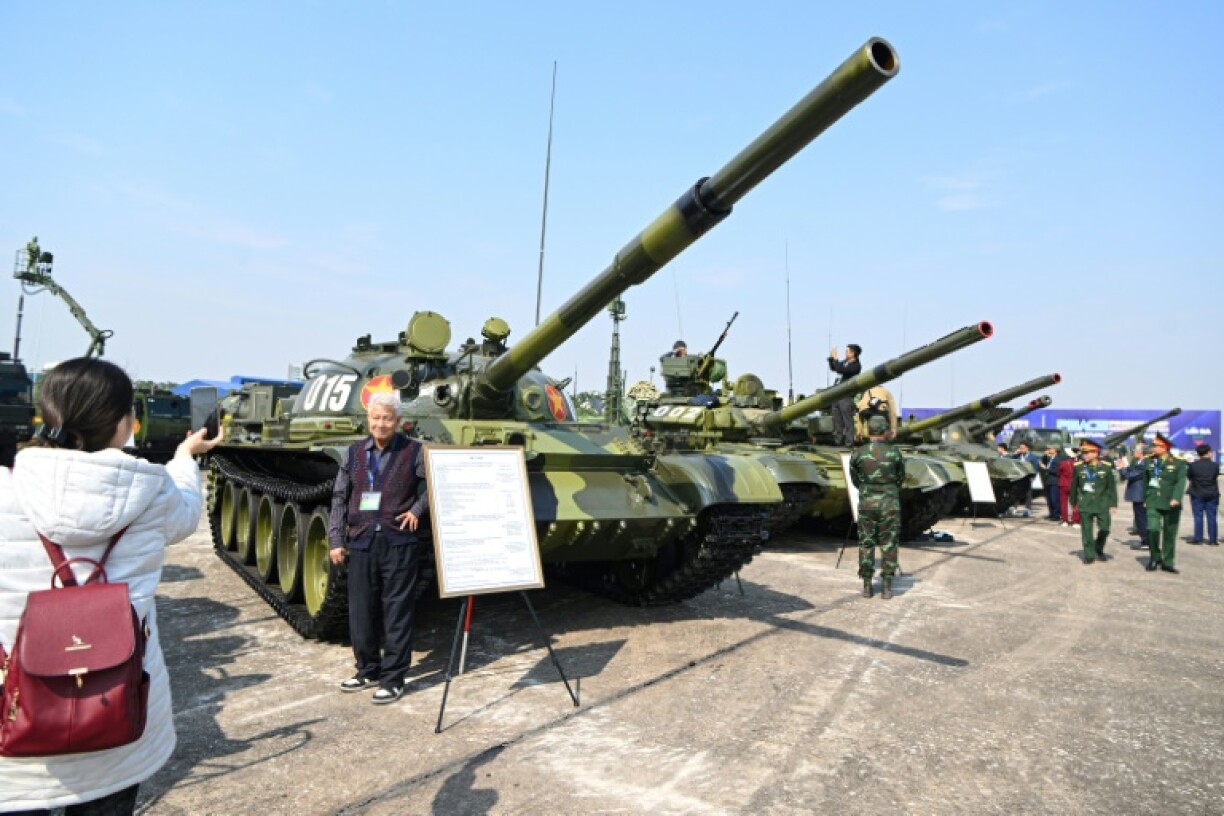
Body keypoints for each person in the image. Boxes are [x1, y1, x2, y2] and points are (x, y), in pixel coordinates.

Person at [0, 357, 223, 814]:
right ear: (124, 423)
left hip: (17, 720)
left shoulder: (7, 491)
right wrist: (185, 457)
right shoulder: (152, 491)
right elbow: (184, 516)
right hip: (115, 718)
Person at [328, 392, 429, 704]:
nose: (381, 424)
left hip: (399, 541)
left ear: (398, 422)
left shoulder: (414, 451)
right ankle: (367, 668)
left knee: (396, 610)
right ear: (367, 420)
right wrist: (336, 539)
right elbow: (339, 497)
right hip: (362, 539)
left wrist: (416, 511)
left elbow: (432, 486)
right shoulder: (354, 452)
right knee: (361, 610)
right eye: (376, 418)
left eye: (387, 418)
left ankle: (394, 677)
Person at [850, 415, 905, 599]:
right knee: (889, 543)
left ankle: (867, 585)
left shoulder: (859, 453)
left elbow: (855, 478)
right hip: (890, 503)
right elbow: (900, 478)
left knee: (866, 543)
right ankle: (887, 586)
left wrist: (867, 489)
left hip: (867, 503)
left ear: (869, 431)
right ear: (885, 430)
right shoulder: (894, 452)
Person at [1143, 433, 1188, 573]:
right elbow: (1145, 481)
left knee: (1170, 533)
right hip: (1153, 501)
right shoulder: (1148, 461)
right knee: (1152, 529)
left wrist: (1176, 498)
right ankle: (1154, 557)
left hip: (1171, 502)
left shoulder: (1179, 462)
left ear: (1165, 448)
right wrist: (1145, 498)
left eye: (1156, 446)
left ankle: (1167, 562)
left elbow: (1181, 482)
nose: (1153, 448)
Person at [1068, 438, 1117, 563]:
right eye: (1083, 452)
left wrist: (1113, 504)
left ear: (1096, 453)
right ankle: (1089, 554)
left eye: (1087, 452)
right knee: (1086, 530)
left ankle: (1098, 547)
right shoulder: (1079, 467)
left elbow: (1111, 487)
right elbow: (1074, 486)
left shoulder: (1106, 468)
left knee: (1105, 529)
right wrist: (1073, 502)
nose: (1083, 455)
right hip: (1086, 503)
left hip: (1102, 504)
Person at [827, 343, 861, 446]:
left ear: (853, 353)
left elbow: (842, 370)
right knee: (837, 420)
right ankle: (838, 440)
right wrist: (832, 359)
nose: (845, 353)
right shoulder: (845, 362)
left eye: (847, 351)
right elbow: (835, 368)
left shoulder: (856, 366)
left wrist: (836, 360)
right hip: (837, 394)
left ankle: (849, 442)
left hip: (846, 395)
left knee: (847, 420)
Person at [1117, 443, 1149, 549]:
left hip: (1140, 495)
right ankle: (1144, 539)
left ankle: (1146, 541)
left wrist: (1122, 468)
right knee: (1139, 518)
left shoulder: (1143, 464)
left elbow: (1128, 475)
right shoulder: (1139, 462)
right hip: (1137, 495)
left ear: (1141, 452)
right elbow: (1130, 471)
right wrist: (1124, 465)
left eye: (1135, 450)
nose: (1133, 452)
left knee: (1142, 518)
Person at [1186, 443, 1219, 545]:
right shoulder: (1215, 466)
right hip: (1212, 493)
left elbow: (1189, 477)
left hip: (1197, 493)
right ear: (1208, 453)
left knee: (1198, 516)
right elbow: (1215, 476)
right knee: (1212, 517)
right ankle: (1213, 540)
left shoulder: (1193, 466)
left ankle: (1198, 538)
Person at [1010, 442, 1040, 517]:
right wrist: (1014, 454)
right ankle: (1014, 507)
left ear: (1027, 448)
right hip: (1017, 477)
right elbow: (1010, 461)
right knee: (1016, 493)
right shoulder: (1017, 456)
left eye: (1022, 448)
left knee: (1027, 494)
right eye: (1020, 448)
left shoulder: (1032, 457)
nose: (1021, 449)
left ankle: (1027, 509)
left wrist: (1033, 477)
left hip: (1027, 477)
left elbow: (1035, 468)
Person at [1040, 445, 1066, 522]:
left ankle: (1057, 514)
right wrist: (1045, 455)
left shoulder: (1058, 459)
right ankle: (1052, 513)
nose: (1048, 450)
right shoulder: (1050, 458)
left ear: (1055, 450)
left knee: (1054, 498)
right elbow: (1043, 462)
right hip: (1048, 481)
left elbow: (1057, 471)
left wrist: (1046, 468)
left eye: (1050, 449)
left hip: (1054, 481)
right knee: (1049, 499)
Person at [1058, 450, 1082, 527]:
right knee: (1075, 503)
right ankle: (1076, 521)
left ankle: (1065, 520)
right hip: (1074, 485)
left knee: (1063, 503)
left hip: (1064, 484)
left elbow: (1059, 473)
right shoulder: (1078, 464)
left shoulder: (1062, 463)